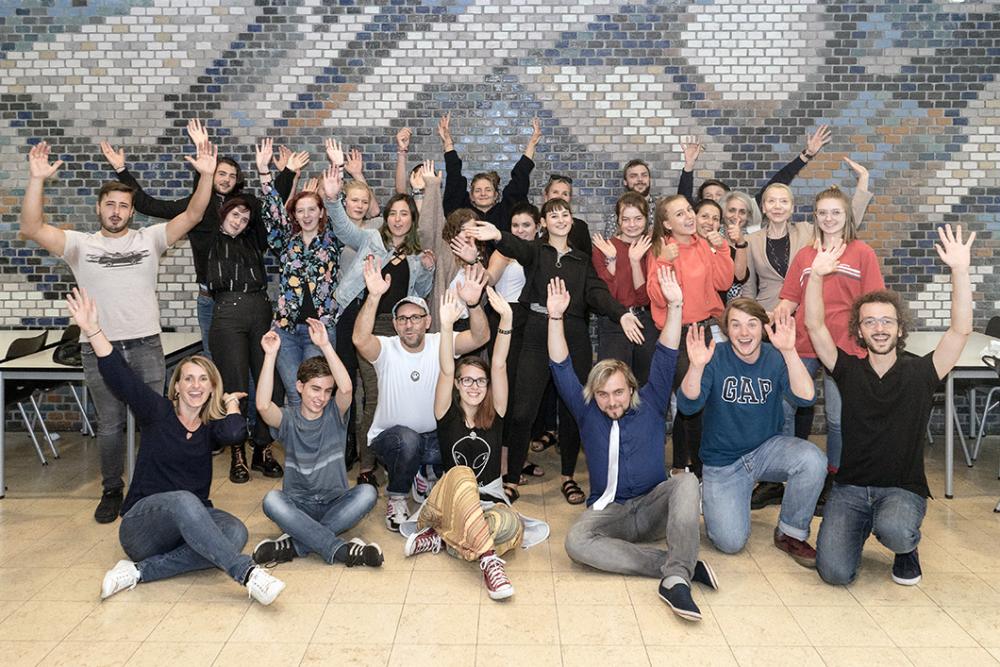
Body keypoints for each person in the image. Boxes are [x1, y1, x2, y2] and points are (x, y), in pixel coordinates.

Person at [20, 139, 218, 523]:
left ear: (131, 211)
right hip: (100, 348)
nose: (116, 211)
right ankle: (112, 489)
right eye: (109, 204)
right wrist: (36, 179)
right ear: (99, 208)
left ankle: (155, 486)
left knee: (158, 422)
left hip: (145, 346)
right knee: (109, 424)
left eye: (123, 205)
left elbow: (194, 214)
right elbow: (31, 226)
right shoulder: (79, 245)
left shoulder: (150, 239)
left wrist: (207, 176)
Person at [65, 288, 285, 605]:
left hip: (185, 527)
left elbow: (235, 433)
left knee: (235, 532)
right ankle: (248, 574)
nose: (195, 386)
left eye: (203, 380)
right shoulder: (158, 413)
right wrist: (92, 330)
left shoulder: (209, 427)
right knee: (184, 500)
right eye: (188, 379)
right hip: (143, 527)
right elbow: (119, 374)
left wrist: (232, 407)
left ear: (212, 388)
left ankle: (140, 572)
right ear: (177, 386)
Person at [808, 225, 975, 586]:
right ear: (860, 332)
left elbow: (960, 331)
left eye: (887, 321)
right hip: (851, 490)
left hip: (902, 489)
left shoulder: (921, 372)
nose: (879, 328)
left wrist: (960, 271)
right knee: (834, 573)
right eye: (870, 322)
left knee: (896, 530)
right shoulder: (847, 371)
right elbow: (815, 325)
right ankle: (861, 524)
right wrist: (817, 277)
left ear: (900, 330)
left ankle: (905, 546)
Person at [552, 271, 719, 621]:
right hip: (611, 512)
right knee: (576, 543)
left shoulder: (652, 400)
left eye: (617, 392)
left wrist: (675, 305)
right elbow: (561, 366)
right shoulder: (587, 413)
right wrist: (555, 317)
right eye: (603, 395)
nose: (611, 401)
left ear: (630, 389)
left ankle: (675, 578)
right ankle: (677, 566)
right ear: (593, 395)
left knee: (687, 481)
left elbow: (666, 352)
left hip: (653, 505)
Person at [466, 199, 644, 505]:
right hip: (535, 330)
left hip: (573, 334)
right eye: (553, 215)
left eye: (565, 214)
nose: (560, 219)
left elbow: (597, 293)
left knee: (574, 409)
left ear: (572, 221)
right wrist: (497, 235)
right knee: (523, 409)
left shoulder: (581, 260)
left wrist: (622, 313)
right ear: (544, 223)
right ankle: (510, 480)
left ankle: (568, 477)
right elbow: (517, 248)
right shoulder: (536, 250)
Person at [100, 120, 296, 356]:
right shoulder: (196, 208)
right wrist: (122, 171)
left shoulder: (245, 206)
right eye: (221, 173)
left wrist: (286, 173)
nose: (226, 179)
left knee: (250, 360)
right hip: (209, 299)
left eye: (232, 176)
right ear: (210, 175)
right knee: (212, 359)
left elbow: (272, 210)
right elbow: (147, 204)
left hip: (244, 300)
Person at [676, 298, 827, 567]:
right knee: (730, 542)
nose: (744, 333)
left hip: (765, 450)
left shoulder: (775, 356)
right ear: (725, 330)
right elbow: (688, 406)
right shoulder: (714, 356)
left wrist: (790, 351)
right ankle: (712, 493)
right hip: (723, 461)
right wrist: (696, 366)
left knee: (813, 459)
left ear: (762, 328)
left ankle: (790, 532)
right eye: (736, 325)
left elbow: (805, 398)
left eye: (751, 324)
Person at [402, 288, 529, 600]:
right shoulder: (446, 413)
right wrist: (446, 327)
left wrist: (507, 319)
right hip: (448, 501)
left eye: (480, 381)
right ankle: (488, 561)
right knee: (463, 475)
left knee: (512, 526)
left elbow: (498, 363)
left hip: (489, 501)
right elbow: (446, 367)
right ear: (457, 385)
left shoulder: (496, 412)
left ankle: (442, 541)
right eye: (467, 380)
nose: (474, 386)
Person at [320, 161, 436, 488]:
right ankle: (367, 465)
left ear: (412, 220)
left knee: (396, 396)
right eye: (394, 213)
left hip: (399, 332)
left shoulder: (416, 254)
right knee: (372, 395)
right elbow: (343, 229)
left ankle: (398, 457)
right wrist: (331, 201)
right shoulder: (371, 238)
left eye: (405, 214)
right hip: (366, 325)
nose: (398, 219)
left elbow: (420, 295)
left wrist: (427, 268)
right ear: (386, 217)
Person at [353, 257, 490, 531]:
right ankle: (398, 495)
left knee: (462, 433)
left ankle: (425, 472)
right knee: (409, 440)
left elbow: (480, 337)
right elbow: (359, 339)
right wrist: (374, 296)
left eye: (415, 318)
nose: (409, 324)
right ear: (395, 324)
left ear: (428, 321)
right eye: (402, 319)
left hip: (435, 438)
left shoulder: (442, 341)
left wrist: (473, 304)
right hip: (393, 441)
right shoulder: (387, 348)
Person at [775, 186, 885, 512]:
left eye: (835, 212)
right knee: (787, 408)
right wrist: (772, 316)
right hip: (804, 344)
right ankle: (785, 475)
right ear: (816, 217)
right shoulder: (806, 255)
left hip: (845, 348)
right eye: (823, 212)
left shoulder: (862, 253)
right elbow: (789, 298)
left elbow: (874, 303)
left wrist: (873, 339)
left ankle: (833, 478)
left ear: (846, 216)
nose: (829, 218)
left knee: (838, 419)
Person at [250, 321, 383, 568]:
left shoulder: (335, 413)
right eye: (314, 389)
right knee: (271, 500)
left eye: (326, 391)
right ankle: (341, 550)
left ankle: (294, 544)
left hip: (336, 503)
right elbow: (262, 406)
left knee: (367, 493)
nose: (321, 397)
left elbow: (346, 387)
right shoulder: (287, 419)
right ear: (299, 387)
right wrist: (270, 356)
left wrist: (324, 345)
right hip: (298, 505)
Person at [646, 195, 734, 477]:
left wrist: (721, 250)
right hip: (679, 335)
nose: (688, 217)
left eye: (688, 211)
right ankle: (694, 470)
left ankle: (695, 467)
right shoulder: (661, 249)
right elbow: (658, 297)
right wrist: (663, 262)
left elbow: (723, 282)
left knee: (704, 401)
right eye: (679, 214)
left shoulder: (704, 244)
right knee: (691, 402)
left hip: (708, 330)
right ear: (667, 223)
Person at [206, 194, 287, 484]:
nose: (239, 221)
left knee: (272, 385)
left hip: (260, 311)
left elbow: (257, 202)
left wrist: (274, 173)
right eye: (234, 215)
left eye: (244, 218)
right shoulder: (208, 236)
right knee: (235, 388)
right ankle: (237, 453)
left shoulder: (252, 239)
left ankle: (262, 449)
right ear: (223, 212)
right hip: (227, 313)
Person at [256, 138, 342, 410]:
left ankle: (318, 452)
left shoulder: (332, 239)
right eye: (300, 210)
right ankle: (298, 453)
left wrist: (337, 167)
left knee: (316, 396)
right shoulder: (285, 241)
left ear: (320, 213)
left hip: (320, 330)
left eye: (311, 210)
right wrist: (264, 173)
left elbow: (340, 206)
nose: (306, 215)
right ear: (294, 214)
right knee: (294, 396)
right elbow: (271, 212)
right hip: (286, 330)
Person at [591, 192, 656, 384]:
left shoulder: (651, 248)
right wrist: (611, 260)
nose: (632, 224)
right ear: (618, 221)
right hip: (613, 321)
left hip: (645, 320)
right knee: (613, 382)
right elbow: (607, 296)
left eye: (638, 218)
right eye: (626, 219)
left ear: (646, 219)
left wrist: (635, 261)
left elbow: (645, 298)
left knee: (646, 384)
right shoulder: (604, 247)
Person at [440, 113, 539, 232]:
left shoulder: (507, 211)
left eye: (488, 189)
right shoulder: (461, 213)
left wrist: (532, 143)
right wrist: (448, 143)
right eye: (477, 190)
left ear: (496, 195)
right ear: (471, 195)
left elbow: (520, 178)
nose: (483, 194)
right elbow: (453, 178)